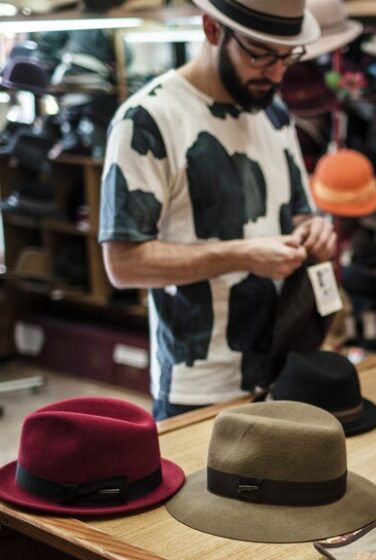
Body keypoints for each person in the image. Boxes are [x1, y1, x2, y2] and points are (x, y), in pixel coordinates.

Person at [98, 1, 336, 420]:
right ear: (211, 29)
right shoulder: (148, 119)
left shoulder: (274, 112)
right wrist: (242, 255)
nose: (277, 73)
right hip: (198, 384)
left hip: (285, 364)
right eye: (261, 53)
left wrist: (315, 229)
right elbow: (123, 263)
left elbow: (299, 211)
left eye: (287, 57)